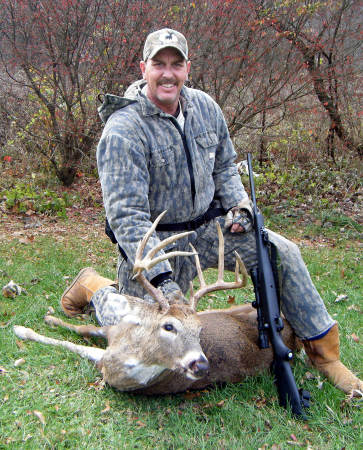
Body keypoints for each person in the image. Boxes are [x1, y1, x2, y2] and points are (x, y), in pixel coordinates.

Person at [61, 29, 362, 395]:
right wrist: (161, 278)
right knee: (135, 328)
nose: (168, 73)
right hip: (159, 245)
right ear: (144, 68)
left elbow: (225, 167)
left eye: (176, 64)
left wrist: (239, 206)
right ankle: (93, 288)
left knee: (281, 252)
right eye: (159, 64)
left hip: (212, 231)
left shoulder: (205, 107)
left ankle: (323, 353)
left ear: (188, 68)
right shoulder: (124, 130)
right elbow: (127, 217)